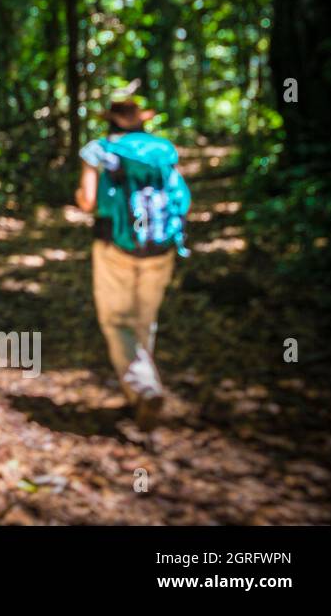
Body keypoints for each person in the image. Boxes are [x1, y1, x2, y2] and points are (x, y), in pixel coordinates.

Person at [74, 98, 190, 429]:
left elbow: (88, 201)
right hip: (162, 246)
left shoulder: (97, 149)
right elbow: (182, 199)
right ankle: (137, 392)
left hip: (116, 245)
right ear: (142, 120)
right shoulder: (163, 150)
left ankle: (143, 388)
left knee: (116, 321)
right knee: (145, 319)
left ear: (110, 120)